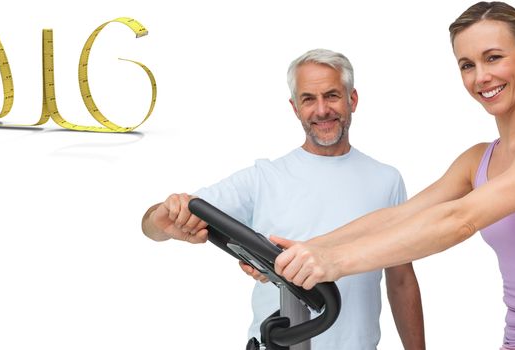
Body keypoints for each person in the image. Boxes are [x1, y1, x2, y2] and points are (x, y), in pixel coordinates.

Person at [270, 3, 515, 350]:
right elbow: (401, 217)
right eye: (467, 65)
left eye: (493, 57)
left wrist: (337, 263)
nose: (481, 76)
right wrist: (309, 250)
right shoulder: (478, 159)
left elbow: (460, 219)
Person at [141, 49, 425, 349]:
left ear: (351, 100)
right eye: (308, 99)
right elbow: (157, 224)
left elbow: (401, 280)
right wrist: (161, 217)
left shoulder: (386, 180)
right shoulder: (264, 177)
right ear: (295, 107)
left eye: (331, 96)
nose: (321, 110)